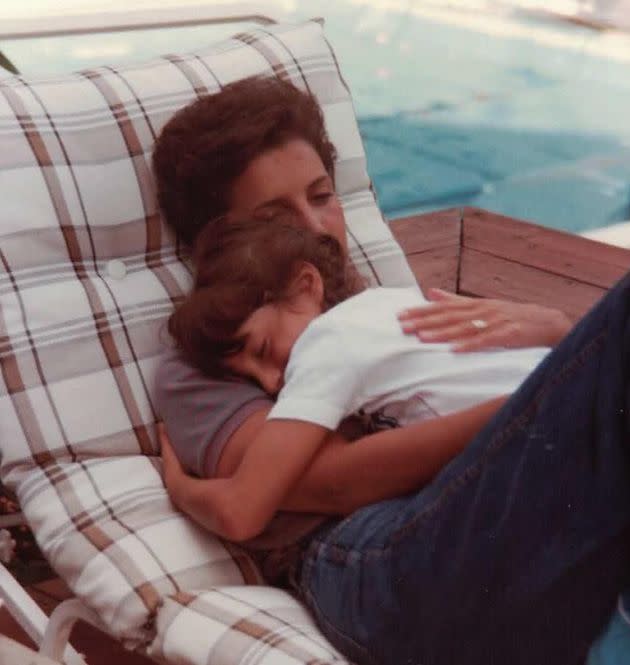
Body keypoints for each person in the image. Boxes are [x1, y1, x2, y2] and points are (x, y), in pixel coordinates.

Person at [152, 76, 630, 665]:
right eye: (277, 215)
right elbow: (333, 481)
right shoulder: (202, 358)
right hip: (370, 563)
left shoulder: (344, 304)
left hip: (479, 534)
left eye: (322, 196)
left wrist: (560, 337)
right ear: (220, 239)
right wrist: (560, 387)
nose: (317, 227)